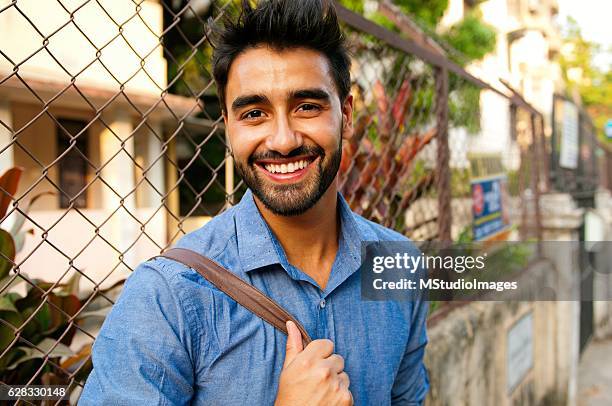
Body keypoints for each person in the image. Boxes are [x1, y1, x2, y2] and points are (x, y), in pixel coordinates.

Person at [80, 0, 429, 404]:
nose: (282, 140)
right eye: (254, 114)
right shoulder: (167, 297)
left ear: (346, 114)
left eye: (307, 107)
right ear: (228, 125)